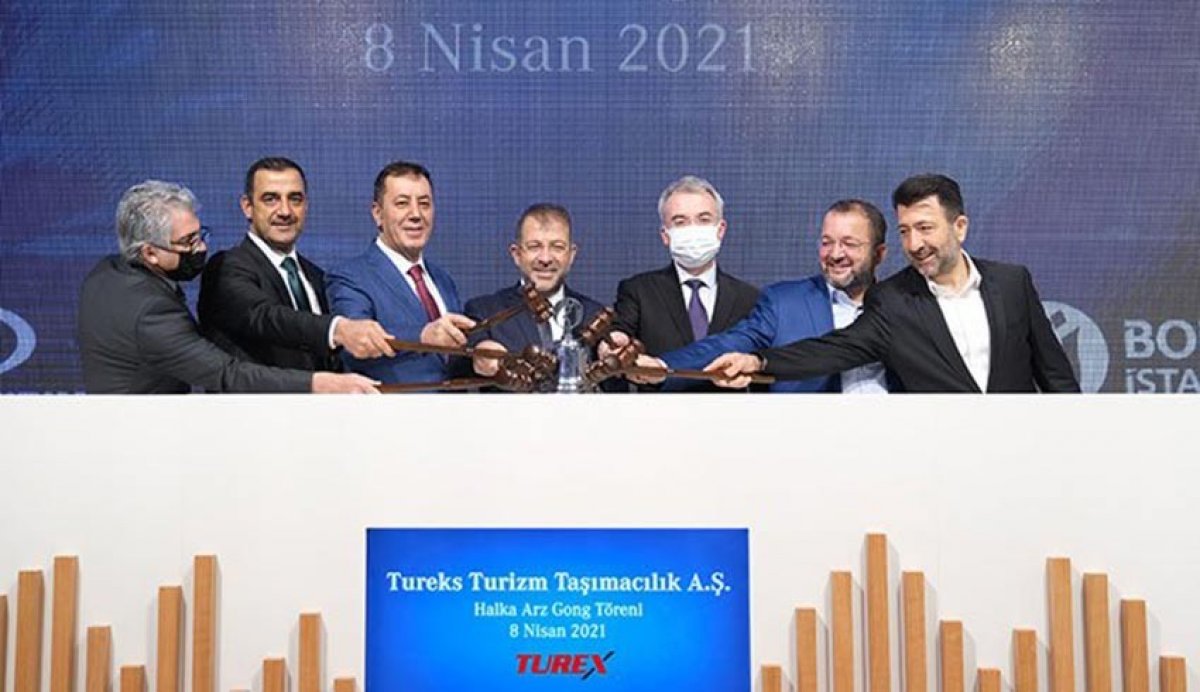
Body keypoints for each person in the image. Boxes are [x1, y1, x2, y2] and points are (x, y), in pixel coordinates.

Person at [706, 174, 1081, 393]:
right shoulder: (892, 300)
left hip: (1018, 453)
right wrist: (759, 360)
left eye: (925, 228)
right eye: (905, 231)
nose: (914, 244)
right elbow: (836, 349)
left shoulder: (1012, 283)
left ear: (960, 227)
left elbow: (1055, 375)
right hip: (936, 463)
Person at [77, 180, 379, 394]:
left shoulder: (108, 272)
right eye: (188, 242)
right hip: (143, 439)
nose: (201, 248)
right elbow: (226, 373)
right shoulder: (151, 311)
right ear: (149, 253)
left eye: (200, 234)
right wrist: (319, 383)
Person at [641, 199, 891, 392]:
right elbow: (730, 342)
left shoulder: (900, 306)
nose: (835, 254)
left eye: (849, 244)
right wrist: (664, 367)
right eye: (827, 242)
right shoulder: (783, 302)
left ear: (879, 254)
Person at [198, 157, 394, 370]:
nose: (285, 211)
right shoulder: (226, 267)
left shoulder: (316, 276)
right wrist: (337, 329)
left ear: (306, 206)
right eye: (270, 199)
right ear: (248, 206)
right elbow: (265, 317)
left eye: (295, 199)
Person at [604, 175, 759, 391]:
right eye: (680, 222)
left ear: (721, 230)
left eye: (703, 219)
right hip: (660, 410)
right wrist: (612, 345)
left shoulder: (749, 298)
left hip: (728, 410)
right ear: (665, 235)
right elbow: (619, 332)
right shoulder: (638, 291)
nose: (693, 229)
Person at [326, 161, 475, 385]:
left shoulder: (442, 279)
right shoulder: (350, 277)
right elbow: (356, 343)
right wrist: (424, 336)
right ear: (378, 214)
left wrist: (482, 356)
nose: (416, 214)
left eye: (424, 204)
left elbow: (451, 362)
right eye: (402, 203)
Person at [466, 203, 605, 382]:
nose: (545, 258)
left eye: (557, 247)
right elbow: (471, 361)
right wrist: (483, 357)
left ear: (571, 255)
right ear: (516, 254)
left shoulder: (594, 314)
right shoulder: (485, 312)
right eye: (534, 246)